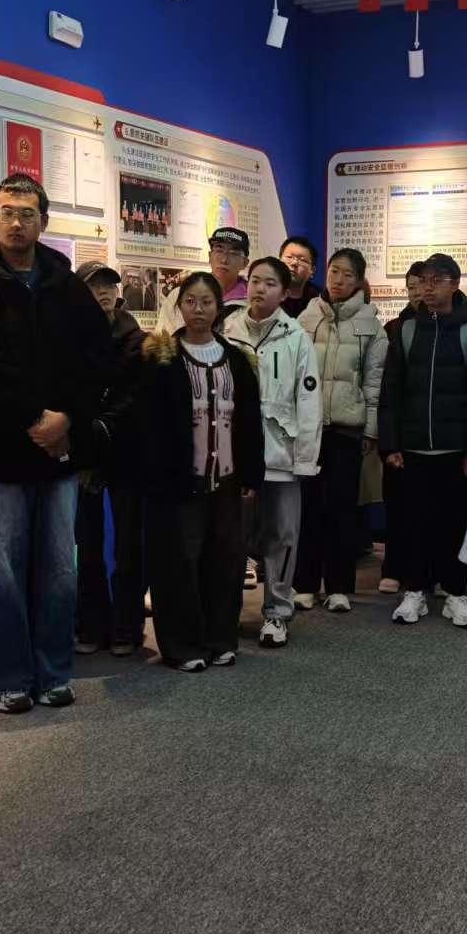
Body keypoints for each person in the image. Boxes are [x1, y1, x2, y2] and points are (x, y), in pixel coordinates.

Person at [0, 173, 113, 715]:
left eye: (27, 214)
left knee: (61, 569)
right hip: (0, 455)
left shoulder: (65, 284)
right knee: (1, 572)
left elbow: (95, 359)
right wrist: (35, 418)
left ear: (43, 221)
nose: (17, 223)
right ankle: (5, 677)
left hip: (58, 454)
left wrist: (67, 417)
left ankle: (53, 671)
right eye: (7, 212)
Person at [137, 272, 265, 671]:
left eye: (206, 302)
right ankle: (182, 646)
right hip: (179, 483)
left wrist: (251, 474)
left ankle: (220, 638)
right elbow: (148, 425)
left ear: (218, 308)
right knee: (179, 563)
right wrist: (156, 476)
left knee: (225, 561)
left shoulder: (237, 359)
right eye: (190, 301)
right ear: (179, 307)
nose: (198, 309)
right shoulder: (161, 357)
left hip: (226, 480)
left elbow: (250, 422)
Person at [378, 252, 467, 629]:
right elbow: (391, 392)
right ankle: (414, 591)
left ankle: (456, 593)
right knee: (413, 523)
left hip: (456, 452)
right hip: (412, 449)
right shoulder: (406, 330)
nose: (428, 288)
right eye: (423, 281)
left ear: (455, 284)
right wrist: (390, 445)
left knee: (455, 524)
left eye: (436, 280)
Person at [224, 256, 322, 645]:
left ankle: (278, 613)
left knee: (282, 535)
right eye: (255, 281)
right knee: (233, 535)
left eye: (270, 283)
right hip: (235, 456)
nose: (260, 289)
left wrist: (305, 459)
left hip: (282, 455)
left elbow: (309, 402)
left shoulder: (296, 338)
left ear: (284, 293)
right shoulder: (228, 331)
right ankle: (225, 612)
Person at [295, 248, 386, 611]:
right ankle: (304, 584)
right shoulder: (306, 317)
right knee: (307, 508)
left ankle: (338, 588)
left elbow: (374, 383)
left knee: (343, 510)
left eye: (348, 274)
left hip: (348, 430)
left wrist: (371, 432)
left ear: (359, 281)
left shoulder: (372, 326)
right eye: (334, 271)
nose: (339, 280)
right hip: (309, 429)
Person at [72, 262, 147, 658]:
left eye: (108, 285)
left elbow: (135, 400)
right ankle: (90, 623)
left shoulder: (137, 341)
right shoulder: (68, 339)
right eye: (93, 286)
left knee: (128, 545)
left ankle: (127, 626)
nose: (102, 292)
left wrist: (102, 427)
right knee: (87, 544)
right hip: (84, 455)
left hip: (127, 454)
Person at [377, 261, 426, 596]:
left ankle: (430, 572)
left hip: (435, 435)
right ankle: (394, 566)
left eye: (422, 284)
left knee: (433, 508)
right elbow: (386, 390)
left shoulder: (454, 326)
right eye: (411, 286)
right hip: (399, 431)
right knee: (397, 505)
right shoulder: (393, 328)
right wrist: (388, 441)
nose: (417, 292)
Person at [156, 226, 251, 332]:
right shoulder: (178, 295)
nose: (224, 259)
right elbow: (162, 338)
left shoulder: (252, 302)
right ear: (210, 256)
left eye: (233, 253)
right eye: (219, 250)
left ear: (244, 263)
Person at [278, 235, 324, 319]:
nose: (294, 263)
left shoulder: (320, 300)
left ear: (312, 270)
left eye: (302, 260)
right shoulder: (268, 294)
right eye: (289, 257)